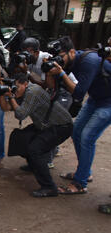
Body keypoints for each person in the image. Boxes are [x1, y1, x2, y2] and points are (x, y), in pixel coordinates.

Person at [43, 37, 111, 203]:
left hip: (108, 102)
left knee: (87, 137)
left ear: (72, 52)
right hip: (96, 99)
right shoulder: (70, 62)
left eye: (61, 56)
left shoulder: (89, 61)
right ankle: (84, 172)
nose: (59, 60)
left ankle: (80, 184)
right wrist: (51, 71)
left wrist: (61, 73)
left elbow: (79, 94)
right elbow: (53, 87)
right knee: (76, 131)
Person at [0, 73, 73, 197]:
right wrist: (1, 93)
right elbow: (5, 108)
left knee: (35, 149)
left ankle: (49, 187)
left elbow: (20, 114)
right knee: (22, 138)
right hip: (45, 125)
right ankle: (34, 166)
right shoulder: (22, 91)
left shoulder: (33, 91)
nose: (14, 89)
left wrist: (11, 97)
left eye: (17, 86)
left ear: (25, 84)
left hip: (60, 126)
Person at [17, 37, 77, 170]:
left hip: (65, 92)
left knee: (53, 126)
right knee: (44, 125)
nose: (27, 54)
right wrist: (25, 70)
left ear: (36, 51)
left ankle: (47, 161)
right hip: (53, 91)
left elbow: (46, 85)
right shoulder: (30, 61)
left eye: (29, 51)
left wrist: (32, 73)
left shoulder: (50, 59)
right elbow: (47, 85)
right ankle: (43, 157)